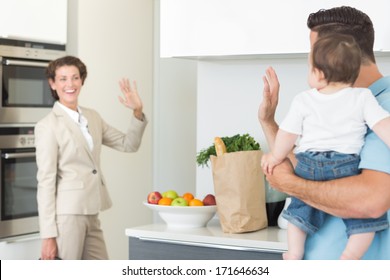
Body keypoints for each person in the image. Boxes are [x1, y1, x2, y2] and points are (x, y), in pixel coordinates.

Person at [258, 6, 390, 259]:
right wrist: (267, 119)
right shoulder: (340, 103)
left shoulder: (381, 104)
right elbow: (312, 165)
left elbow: (370, 201)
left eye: (313, 54)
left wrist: (289, 183)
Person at [35, 56, 148, 260]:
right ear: (53, 83)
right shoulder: (47, 126)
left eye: (75, 78)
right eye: (62, 79)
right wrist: (48, 236)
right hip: (66, 216)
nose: (70, 84)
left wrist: (137, 111)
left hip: (92, 211)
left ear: (82, 81)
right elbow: (46, 181)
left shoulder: (92, 117)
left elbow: (128, 144)